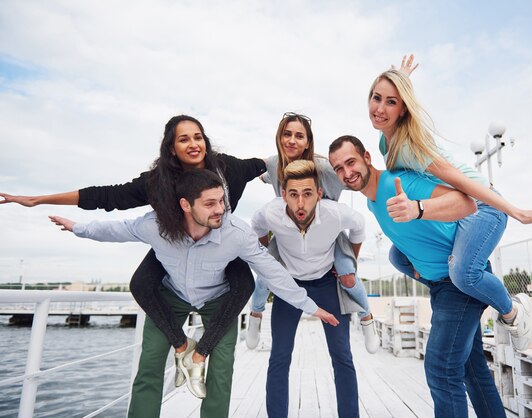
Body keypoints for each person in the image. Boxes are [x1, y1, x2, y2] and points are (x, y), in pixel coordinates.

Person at [0, 115, 264, 392]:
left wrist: (308, 161)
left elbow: (267, 162)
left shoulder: (227, 167)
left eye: (198, 137)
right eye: (183, 139)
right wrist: (38, 199)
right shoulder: (158, 181)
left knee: (244, 283)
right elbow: (108, 196)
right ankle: (182, 346)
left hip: (218, 244)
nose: (193, 144)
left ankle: (201, 354)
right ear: (171, 148)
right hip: (175, 245)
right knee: (140, 283)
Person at [49, 169, 338, 418]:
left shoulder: (236, 233)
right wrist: (78, 228)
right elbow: (117, 229)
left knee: (222, 370)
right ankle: (176, 360)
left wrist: (311, 307)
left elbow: (273, 272)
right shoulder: (155, 225)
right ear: (186, 205)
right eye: (210, 204)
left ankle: (199, 368)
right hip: (171, 297)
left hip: (218, 299)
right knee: (149, 365)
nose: (220, 210)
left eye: (222, 201)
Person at [367, 57, 532, 350]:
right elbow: (394, 97)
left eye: (391, 102)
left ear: (402, 109)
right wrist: (401, 76)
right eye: (377, 98)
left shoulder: (411, 146)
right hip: (456, 210)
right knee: (399, 257)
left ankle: (512, 310)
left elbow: (461, 183)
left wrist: (514, 210)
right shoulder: (384, 142)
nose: (380, 108)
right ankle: (458, 292)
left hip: (483, 206)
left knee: (463, 272)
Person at [329, 135, 505, 418]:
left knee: (441, 368)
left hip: (458, 281)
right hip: (441, 285)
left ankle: (511, 309)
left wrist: (418, 208)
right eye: (338, 168)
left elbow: (464, 200)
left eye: (351, 162)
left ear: (366, 157)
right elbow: (409, 239)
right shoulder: (373, 203)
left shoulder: (397, 182)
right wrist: (416, 266)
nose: (347, 173)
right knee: (472, 369)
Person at [246, 112, 377, 354]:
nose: (292, 141)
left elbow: (356, 178)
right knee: (265, 273)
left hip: (327, 229)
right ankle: (255, 316)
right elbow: (257, 173)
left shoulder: (326, 169)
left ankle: (367, 316)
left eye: (299, 136)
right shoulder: (274, 163)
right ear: (279, 137)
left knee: (347, 275)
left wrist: (352, 257)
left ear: (308, 142)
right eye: (287, 134)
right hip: (289, 228)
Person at [251, 160, 363, 418]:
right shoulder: (271, 212)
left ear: (319, 194)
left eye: (307, 194)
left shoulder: (335, 213)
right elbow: (256, 228)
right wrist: (270, 255)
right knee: (279, 356)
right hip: (288, 288)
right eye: (293, 195)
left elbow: (359, 227)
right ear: (284, 196)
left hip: (326, 284)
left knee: (342, 356)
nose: (300, 203)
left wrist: (350, 260)